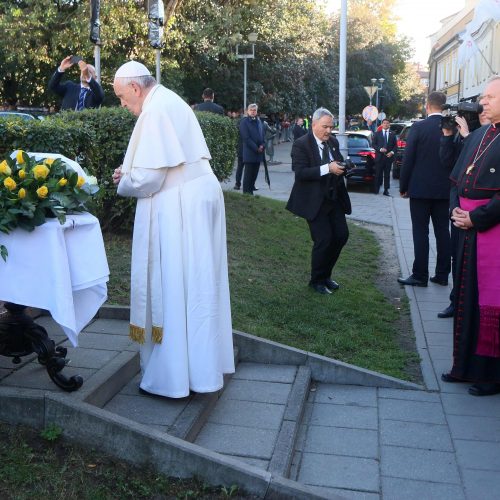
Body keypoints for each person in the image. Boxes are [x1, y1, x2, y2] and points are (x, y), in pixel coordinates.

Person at [111, 61, 234, 398]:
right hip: (197, 195)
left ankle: (173, 377)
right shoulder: (169, 100)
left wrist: (124, 180)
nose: (123, 105)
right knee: (198, 285)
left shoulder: (154, 111)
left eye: (122, 97)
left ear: (135, 88)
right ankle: (201, 371)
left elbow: (150, 178)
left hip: (182, 204)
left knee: (178, 285)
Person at [441, 77, 500, 396]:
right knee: (464, 299)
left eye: (490, 97)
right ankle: (463, 367)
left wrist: (475, 217)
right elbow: (456, 180)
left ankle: (490, 375)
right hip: (465, 229)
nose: (483, 103)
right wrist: (455, 211)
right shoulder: (479, 134)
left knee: (487, 304)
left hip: (491, 232)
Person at [286, 107, 351, 295]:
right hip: (314, 201)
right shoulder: (301, 144)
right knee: (324, 240)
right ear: (313, 124)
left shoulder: (333, 142)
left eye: (331, 127)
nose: (329, 131)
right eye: (325, 127)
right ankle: (316, 281)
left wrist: (344, 167)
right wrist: (327, 168)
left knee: (341, 236)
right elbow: (300, 173)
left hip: (334, 198)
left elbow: (336, 162)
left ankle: (326, 276)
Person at [437, 110, 491, 319]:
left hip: (483, 215)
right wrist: (448, 135)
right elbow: (452, 171)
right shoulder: (466, 136)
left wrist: (468, 136)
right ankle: (456, 302)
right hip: (460, 212)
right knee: (457, 259)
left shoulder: (479, 137)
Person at [398, 92, 451, 288]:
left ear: (427, 106)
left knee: (420, 232)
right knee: (443, 232)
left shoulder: (419, 127)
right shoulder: (450, 127)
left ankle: (420, 275)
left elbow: (408, 159)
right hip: (445, 190)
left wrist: (403, 186)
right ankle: (443, 275)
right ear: (443, 106)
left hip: (420, 189)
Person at [239, 103, 265, 195]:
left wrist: (262, 145)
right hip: (250, 152)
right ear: (247, 111)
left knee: (254, 175)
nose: (253, 112)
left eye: (255, 110)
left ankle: (250, 192)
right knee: (248, 175)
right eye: (251, 110)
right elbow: (246, 138)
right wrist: (256, 148)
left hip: (258, 153)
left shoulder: (258, 121)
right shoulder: (244, 122)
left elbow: (262, 135)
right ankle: (246, 194)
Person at [372, 118, 396, 196]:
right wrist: (380, 149)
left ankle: (386, 190)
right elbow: (373, 144)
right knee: (378, 174)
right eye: (384, 123)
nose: (386, 124)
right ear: (382, 124)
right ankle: (376, 189)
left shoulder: (392, 134)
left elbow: (395, 145)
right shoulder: (377, 133)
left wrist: (392, 152)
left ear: (389, 125)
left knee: (387, 175)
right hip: (379, 157)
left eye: (387, 123)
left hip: (388, 158)